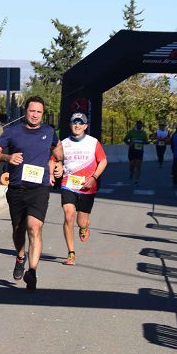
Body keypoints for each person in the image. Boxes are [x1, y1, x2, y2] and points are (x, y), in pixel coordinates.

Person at [0, 97, 61, 289]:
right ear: (25, 111)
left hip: (39, 188)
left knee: (34, 227)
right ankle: (20, 256)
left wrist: (59, 163)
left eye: (39, 112)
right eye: (32, 111)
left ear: (42, 113)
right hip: (16, 188)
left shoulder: (49, 131)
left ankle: (32, 272)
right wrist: (7, 156)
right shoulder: (12, 132)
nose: (35, 115)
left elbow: (58, 147)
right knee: (18, 230)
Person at [58, 113, 106, 266]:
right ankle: (71, 253)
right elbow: (54, 160)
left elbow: (103, 160)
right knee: (68, 215)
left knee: (81, 221)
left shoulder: (93, 142)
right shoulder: (63, 143)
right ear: (70, 125)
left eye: (80, 123)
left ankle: (85, 226)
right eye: (74, 123)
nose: (77, 125)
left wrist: (94, 178)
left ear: (85, 126)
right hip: (68, 183)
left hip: (87, 186)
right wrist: (55, 169)